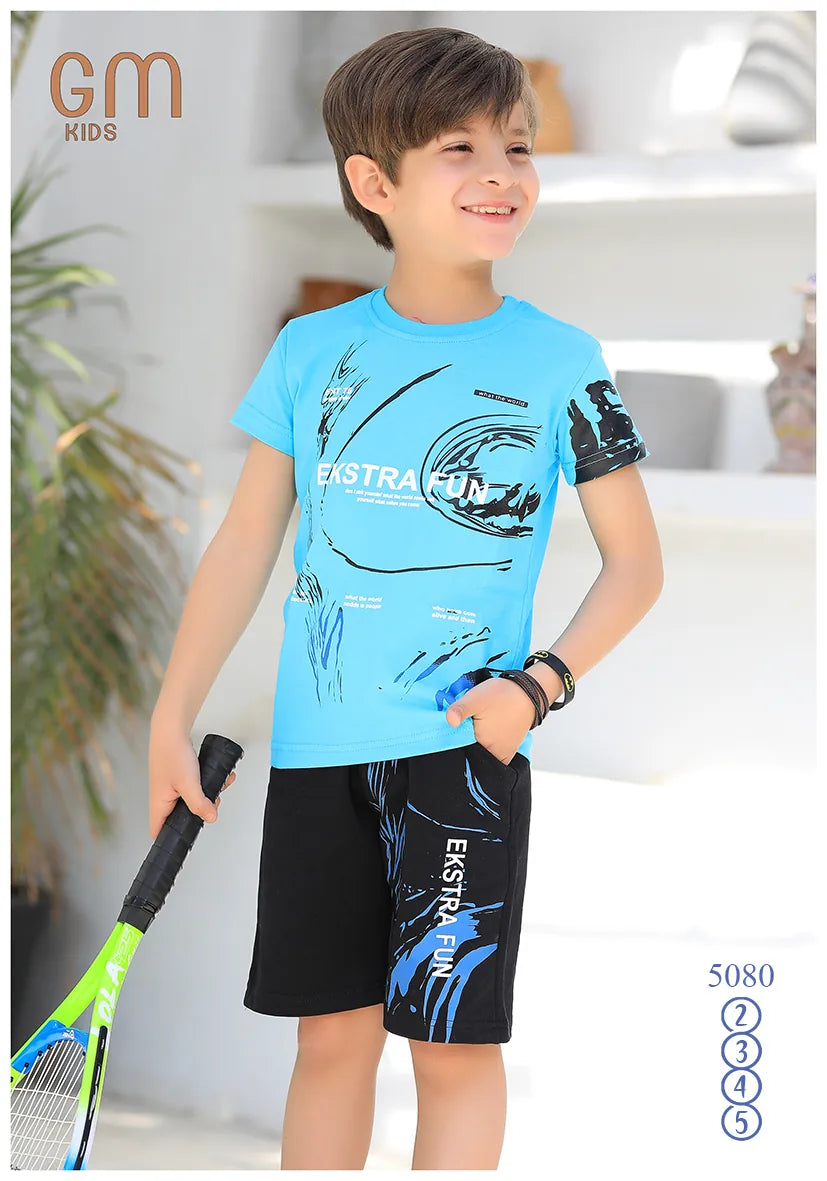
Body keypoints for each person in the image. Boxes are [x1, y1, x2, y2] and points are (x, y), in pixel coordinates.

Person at [148, 25, 663, 1172]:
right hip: (318, 757)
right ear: (371, 184)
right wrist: (168, 713)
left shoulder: (563, 360)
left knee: (448, 1048)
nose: (500, 171)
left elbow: (635, 563)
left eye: (516, 145)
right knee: (329, 1043)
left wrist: (537, 687)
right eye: (458, 146)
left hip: (462, 758)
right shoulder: (308, 350)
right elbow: (244, 542)